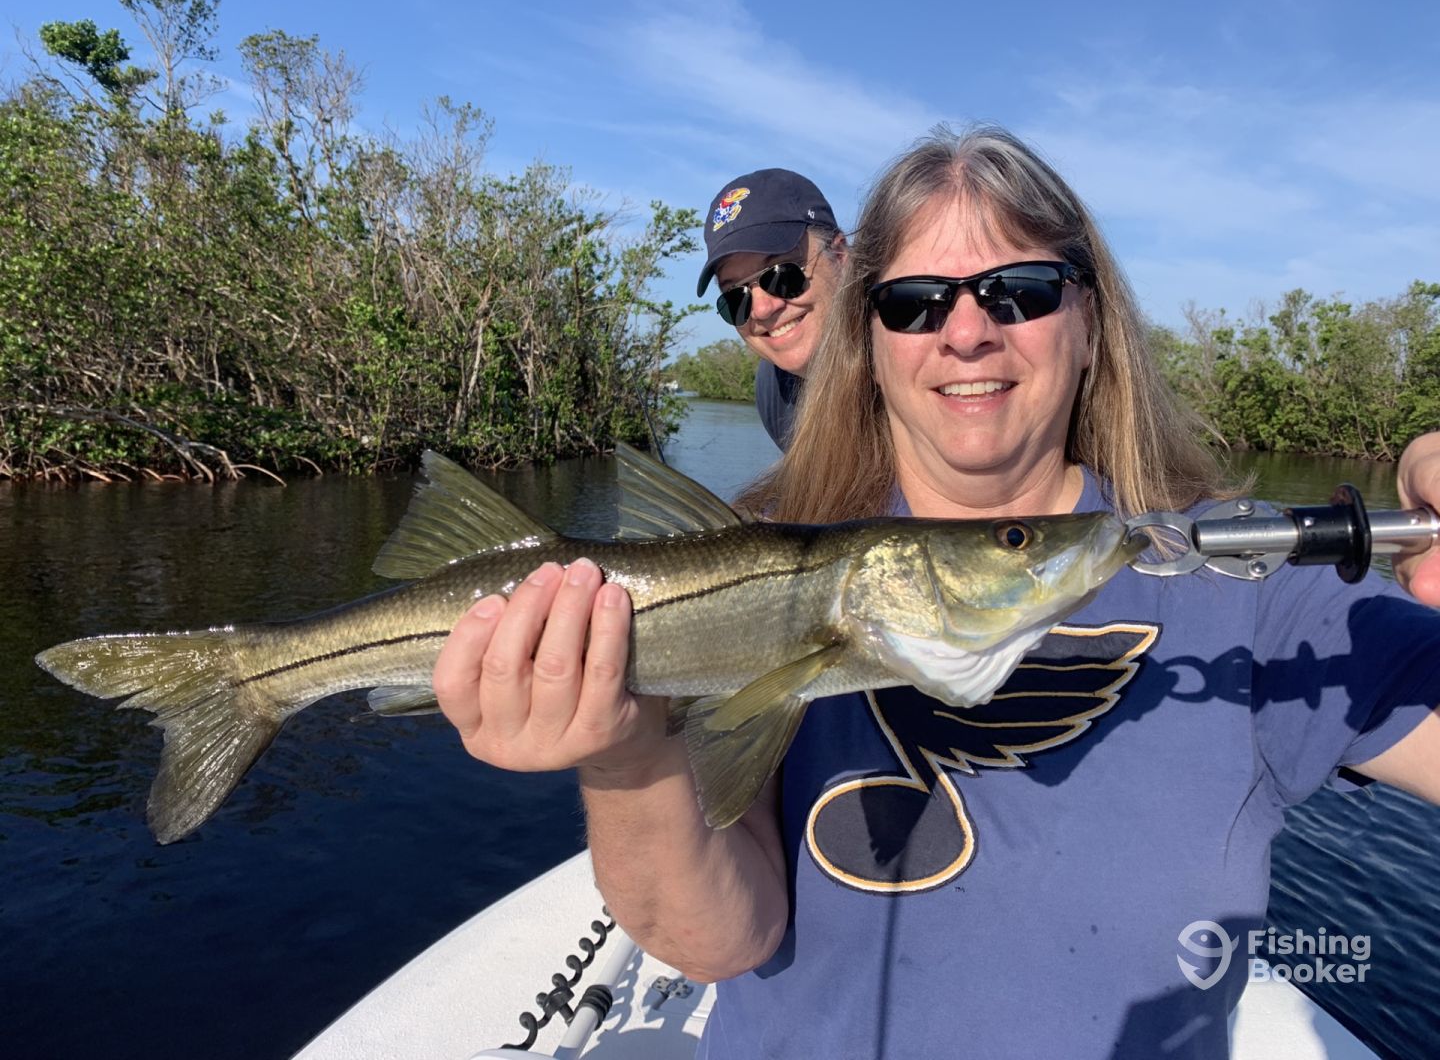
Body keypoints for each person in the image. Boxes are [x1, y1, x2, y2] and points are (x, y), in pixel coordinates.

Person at [433, 127, 1440, 1058]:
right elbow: (717, 942)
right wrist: (621, 755)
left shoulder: (1255, 588)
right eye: (914, 302)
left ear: (1092, 322)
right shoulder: (757, 548)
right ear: (867, 342)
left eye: (1021, 291)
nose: (966, 333)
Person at [695, 168, 845, 447]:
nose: (762, 309)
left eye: (782, 273)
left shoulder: (914, 358)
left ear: (839, 255)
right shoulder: (775, 389)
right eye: (735, 296)